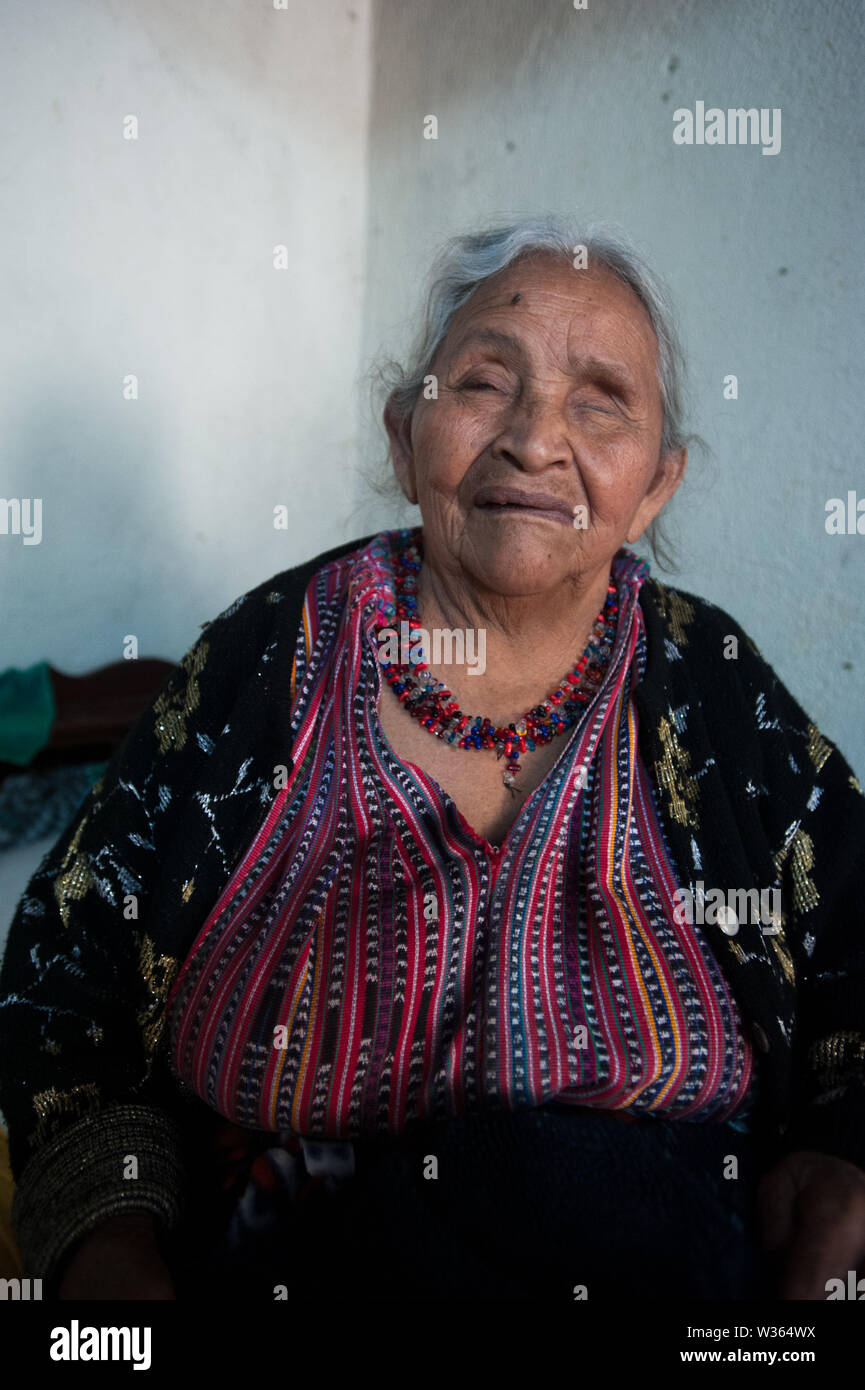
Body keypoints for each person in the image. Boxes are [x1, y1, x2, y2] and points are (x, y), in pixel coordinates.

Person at [1, 216, 864, 1302]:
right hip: (291, 1259)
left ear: (655, 485)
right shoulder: (265, 660)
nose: (536, 437)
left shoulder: (713, 684)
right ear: (405, 435)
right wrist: (106, 1236)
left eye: (600, 399)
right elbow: (68, 977)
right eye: (484, 384)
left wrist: (846, 1147)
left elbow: (855, 935)